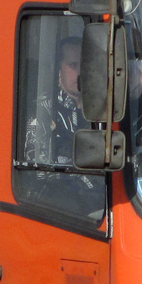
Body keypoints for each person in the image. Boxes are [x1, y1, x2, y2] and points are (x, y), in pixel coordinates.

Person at [22, 36, 102, 215]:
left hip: (101, 202)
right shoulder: (42, 112)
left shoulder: (103, 110)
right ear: (58, 68)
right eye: (73, 65)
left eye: (85, 65)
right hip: (64, 211)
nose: (81, 72)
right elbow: (39, 177)